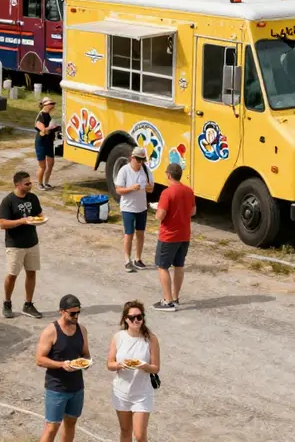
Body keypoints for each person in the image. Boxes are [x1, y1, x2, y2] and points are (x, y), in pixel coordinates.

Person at [35, 294, 91, 442]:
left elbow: (86, 354)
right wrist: (61, 365)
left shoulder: (82, 330)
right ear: (62, 311)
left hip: (77, 387)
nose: (76, 316)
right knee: (52, 427)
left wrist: (85, 362)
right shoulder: (51, 331)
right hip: (57, 388)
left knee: (71, 423)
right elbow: (39, 359)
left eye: (78, 312)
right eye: (72, 313)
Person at [107, 300, 161, 442]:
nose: (136, 320)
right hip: (121, 391)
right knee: (125, 431)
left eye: (139, 317)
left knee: (140, 435)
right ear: (125, 319)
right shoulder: (118, 337)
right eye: (132, 318)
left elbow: (156, 367)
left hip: (142, 394)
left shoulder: (151, 339)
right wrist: (120, 365)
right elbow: (110, 364)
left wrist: (143, 366)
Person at [0, 171, 44, 319]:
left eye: (30, 182)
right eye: (27, 183)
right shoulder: (8, 201)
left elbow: (39, 215)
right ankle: (7, 302)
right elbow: (3, 224)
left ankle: (28, 304)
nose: (30, 185)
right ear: (18, 185)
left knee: (31, 273)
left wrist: (41, 219)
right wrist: (21, 221)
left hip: (32, 242)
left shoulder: (33, 198)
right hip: (15, 245)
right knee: (12, 275)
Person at [153, 162, 196, 311]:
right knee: (179, 265)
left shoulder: (167, 193)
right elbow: (193, 211)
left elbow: (160, 215)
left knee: (162, 266)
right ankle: (175, 297)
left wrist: (156, 210)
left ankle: (167, 300)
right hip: (184, 234)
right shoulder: (189, 191)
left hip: (169, 235)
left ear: (169, 175)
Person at [115, 147, 155, 273]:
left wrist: (147, 188)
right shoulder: (124, 170)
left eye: (142, 160)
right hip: (128, 207)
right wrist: (131, 188)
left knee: (140, 233)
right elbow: (118, 190)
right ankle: (127, 260)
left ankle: (138, 259)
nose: (140, 163)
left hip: (141, 207)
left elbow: (151, 189)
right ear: (132, 158)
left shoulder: (146, 170)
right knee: (129, 233)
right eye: (138, 160)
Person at [35, 98, 58, 190]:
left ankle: (46, 183)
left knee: (51, 164)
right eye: (51, 103)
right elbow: (43, 130)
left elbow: (49, 129)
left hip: (49, 142)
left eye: (53, 103)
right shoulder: (40, 116)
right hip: (41, 143)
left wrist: (56, 128)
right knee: (42, 166)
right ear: (45, 105)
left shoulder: (48, 115)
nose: (53, 105)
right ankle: (39, 184)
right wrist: (51, 127)